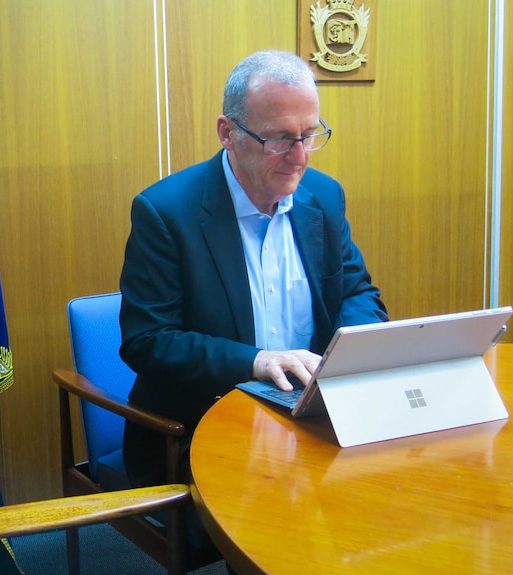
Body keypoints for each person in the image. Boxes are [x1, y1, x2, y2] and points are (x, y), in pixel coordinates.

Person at [118, 49, 389, 562]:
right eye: (281, 138)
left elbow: (357, 294)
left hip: (311, 417)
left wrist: (349, 353)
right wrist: (256, 361)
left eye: (310, 134)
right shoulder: (165, 213)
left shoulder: (323, 199)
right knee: (281, 527)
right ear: (228, 131)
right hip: (205, 427)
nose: (301, 156)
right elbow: (147, 341)